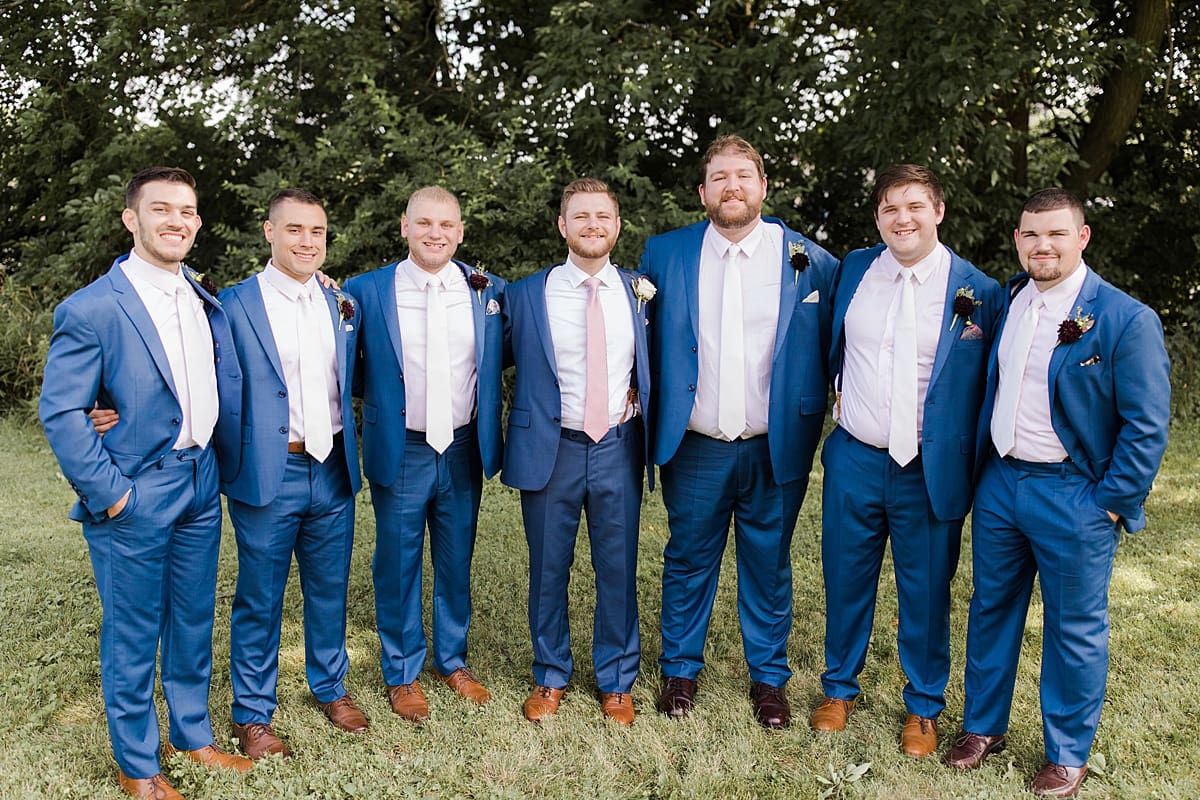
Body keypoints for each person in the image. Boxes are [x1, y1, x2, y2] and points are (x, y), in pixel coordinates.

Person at [945, 189, 1170, 798]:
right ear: (1017, 240)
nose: (1041, 246)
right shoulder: (1012, 299)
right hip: (1001, 484)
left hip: (1075, 495)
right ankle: (982, 727)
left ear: (1083, 237)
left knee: (1074, 627)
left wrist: (1111, 502)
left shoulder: (1125, 318)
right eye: (1030, 235)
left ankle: (1067, 752)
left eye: (1055, 234)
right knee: (991, 608)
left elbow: (1147, 424)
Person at [40, 167, 252, 799]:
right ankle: (138, 765)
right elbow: (62, 411)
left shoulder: (202, 295)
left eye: (187, 211)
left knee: (191, 620)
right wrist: (113, 494)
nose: (177, 221)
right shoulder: (92, 307)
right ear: (132, 219)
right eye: (162, 209)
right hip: (136, 489)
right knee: (133, 628)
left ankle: (192, 735)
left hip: (200, 479)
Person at [639, 134, 839, 728]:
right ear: (703, 192)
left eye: (743, 176)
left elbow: (840, 342)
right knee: (687, 558)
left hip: (775, 445)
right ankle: (679, 671)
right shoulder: (665, 254)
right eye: (720, 177)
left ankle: (769, 681)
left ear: (763, 186)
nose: (732, 186)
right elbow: (643, 337)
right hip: (695, 443)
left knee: (769, 562)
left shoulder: (811, 259)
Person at [811, 165, 1003, 756]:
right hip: (855, 456)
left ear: (938, 212)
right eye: (891, 208)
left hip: (929, 466)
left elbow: (991, 383)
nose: (904, 218)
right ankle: (839, 687)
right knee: (845, 579)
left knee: (925, 590)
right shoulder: (853, 272)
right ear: (878, 217)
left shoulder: (979, 292)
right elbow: (829, 348)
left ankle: (923, 705)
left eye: (915, 206)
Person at [344, 186, 505, 721]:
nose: (435, 233)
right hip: (404, 444)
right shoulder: (365, 291)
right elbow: (343, 361)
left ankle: (452, 659)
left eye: (446, 224)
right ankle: (403, 670)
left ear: (460, 232)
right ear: (405, 227)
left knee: (456, 559)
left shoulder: (488, 292)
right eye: (424, 223)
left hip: (461, 444)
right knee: (397, 560)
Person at [215, 189, 365, 757]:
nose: (307, 242)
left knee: (330, 588)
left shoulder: (342, 304)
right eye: (295, 230)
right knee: (260, 595)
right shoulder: (232, 305)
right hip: (268, 470)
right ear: (268, 232)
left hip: (331, 468)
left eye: (318, 232)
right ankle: (253, 714)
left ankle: (330, 687)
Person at [501, 178, 652, 725]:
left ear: (616, 225)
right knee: (547, 567)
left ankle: (616, 679)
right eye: (580, 216)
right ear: (562, 226)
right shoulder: (524, 295)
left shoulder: (642, 293)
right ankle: (550, 674)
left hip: (617, 444)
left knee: (618, 565)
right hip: (552, 446)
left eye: (603, 216)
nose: (592, 225)